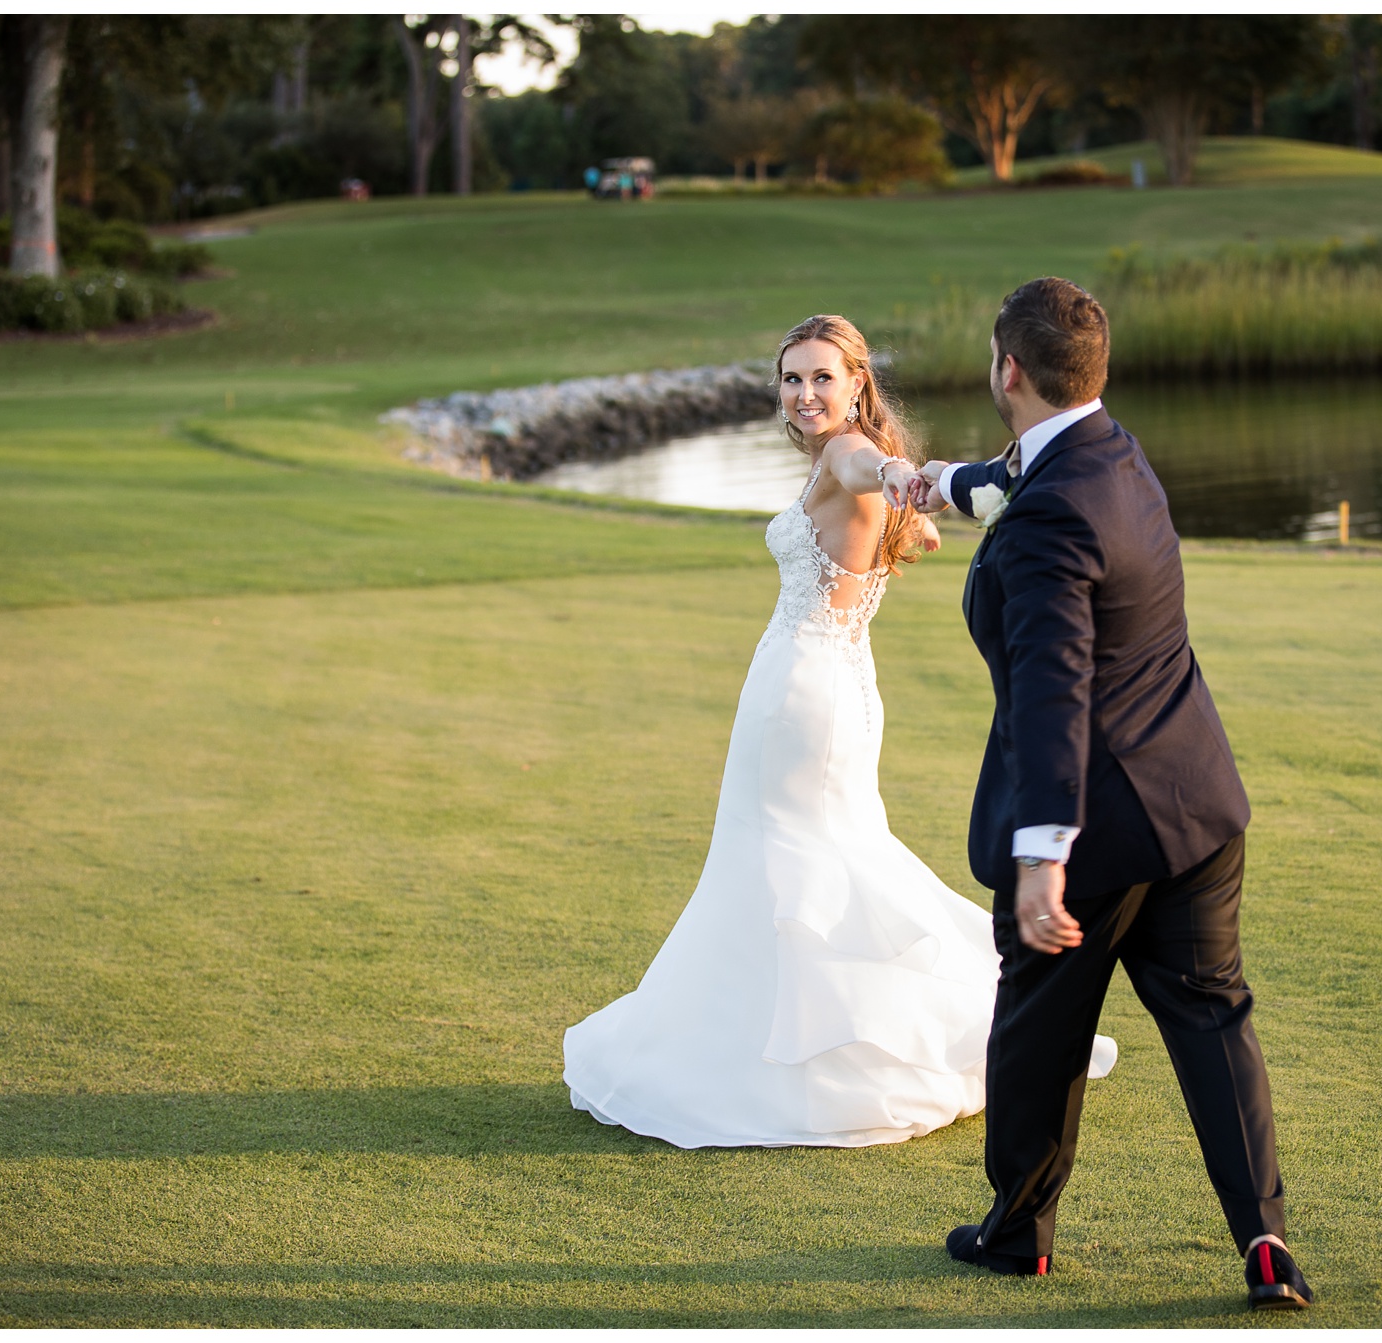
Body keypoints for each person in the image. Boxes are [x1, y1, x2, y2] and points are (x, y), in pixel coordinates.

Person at [561, 314, 1116, 1149]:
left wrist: (898, 474)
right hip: (837, 687)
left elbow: (875, 468)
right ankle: (870, 1036)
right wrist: (912, 512)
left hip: (803, 692)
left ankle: (802, 1062)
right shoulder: (845, 463)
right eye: (792, 378)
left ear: (858, 383)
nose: (805, 393)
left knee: (785, 859)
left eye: (823, 376)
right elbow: (913, 527)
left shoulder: (851, 454)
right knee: (827, 853)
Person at [908, 278, 1312, 1309]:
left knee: (1036, 1031)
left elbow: (1053, 692)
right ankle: (1264, 1241)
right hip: (1195, 805)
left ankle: (1016, 1233)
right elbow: (1007, 476)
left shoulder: (1046, 520)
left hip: (1095, 829)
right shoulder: (1113, 454)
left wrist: (1042, 857)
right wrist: (934, 482)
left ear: (1007, 368)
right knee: (1213, 1020)